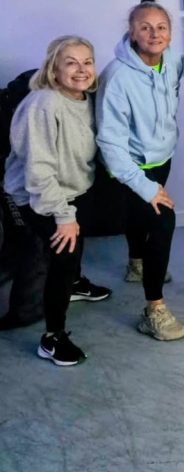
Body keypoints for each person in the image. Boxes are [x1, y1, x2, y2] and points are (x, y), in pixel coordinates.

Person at [4, 36, 110, 365]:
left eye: (87, 62)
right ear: (53, 68)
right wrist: (64, 216)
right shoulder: (44, 104)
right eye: (71, 63)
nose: (81, 70)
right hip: (36, 194)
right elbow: (39, 172)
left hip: (74, 188)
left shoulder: (86, 99)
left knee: (76, 242)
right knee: (64, 253)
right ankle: (53, 338)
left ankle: (73, 284)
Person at [97, 0, 184, 342]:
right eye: (145, 27)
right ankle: (155, 310)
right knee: (163, 220)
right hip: (128, 166)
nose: (154, 33)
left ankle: (137, 263)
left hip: (161, 158)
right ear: (132, 33)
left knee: (140, 219)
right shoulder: (117, 76)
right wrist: (145, 186)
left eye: (161, 27)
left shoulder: (173, 61)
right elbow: (110, 143)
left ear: (170, 33)